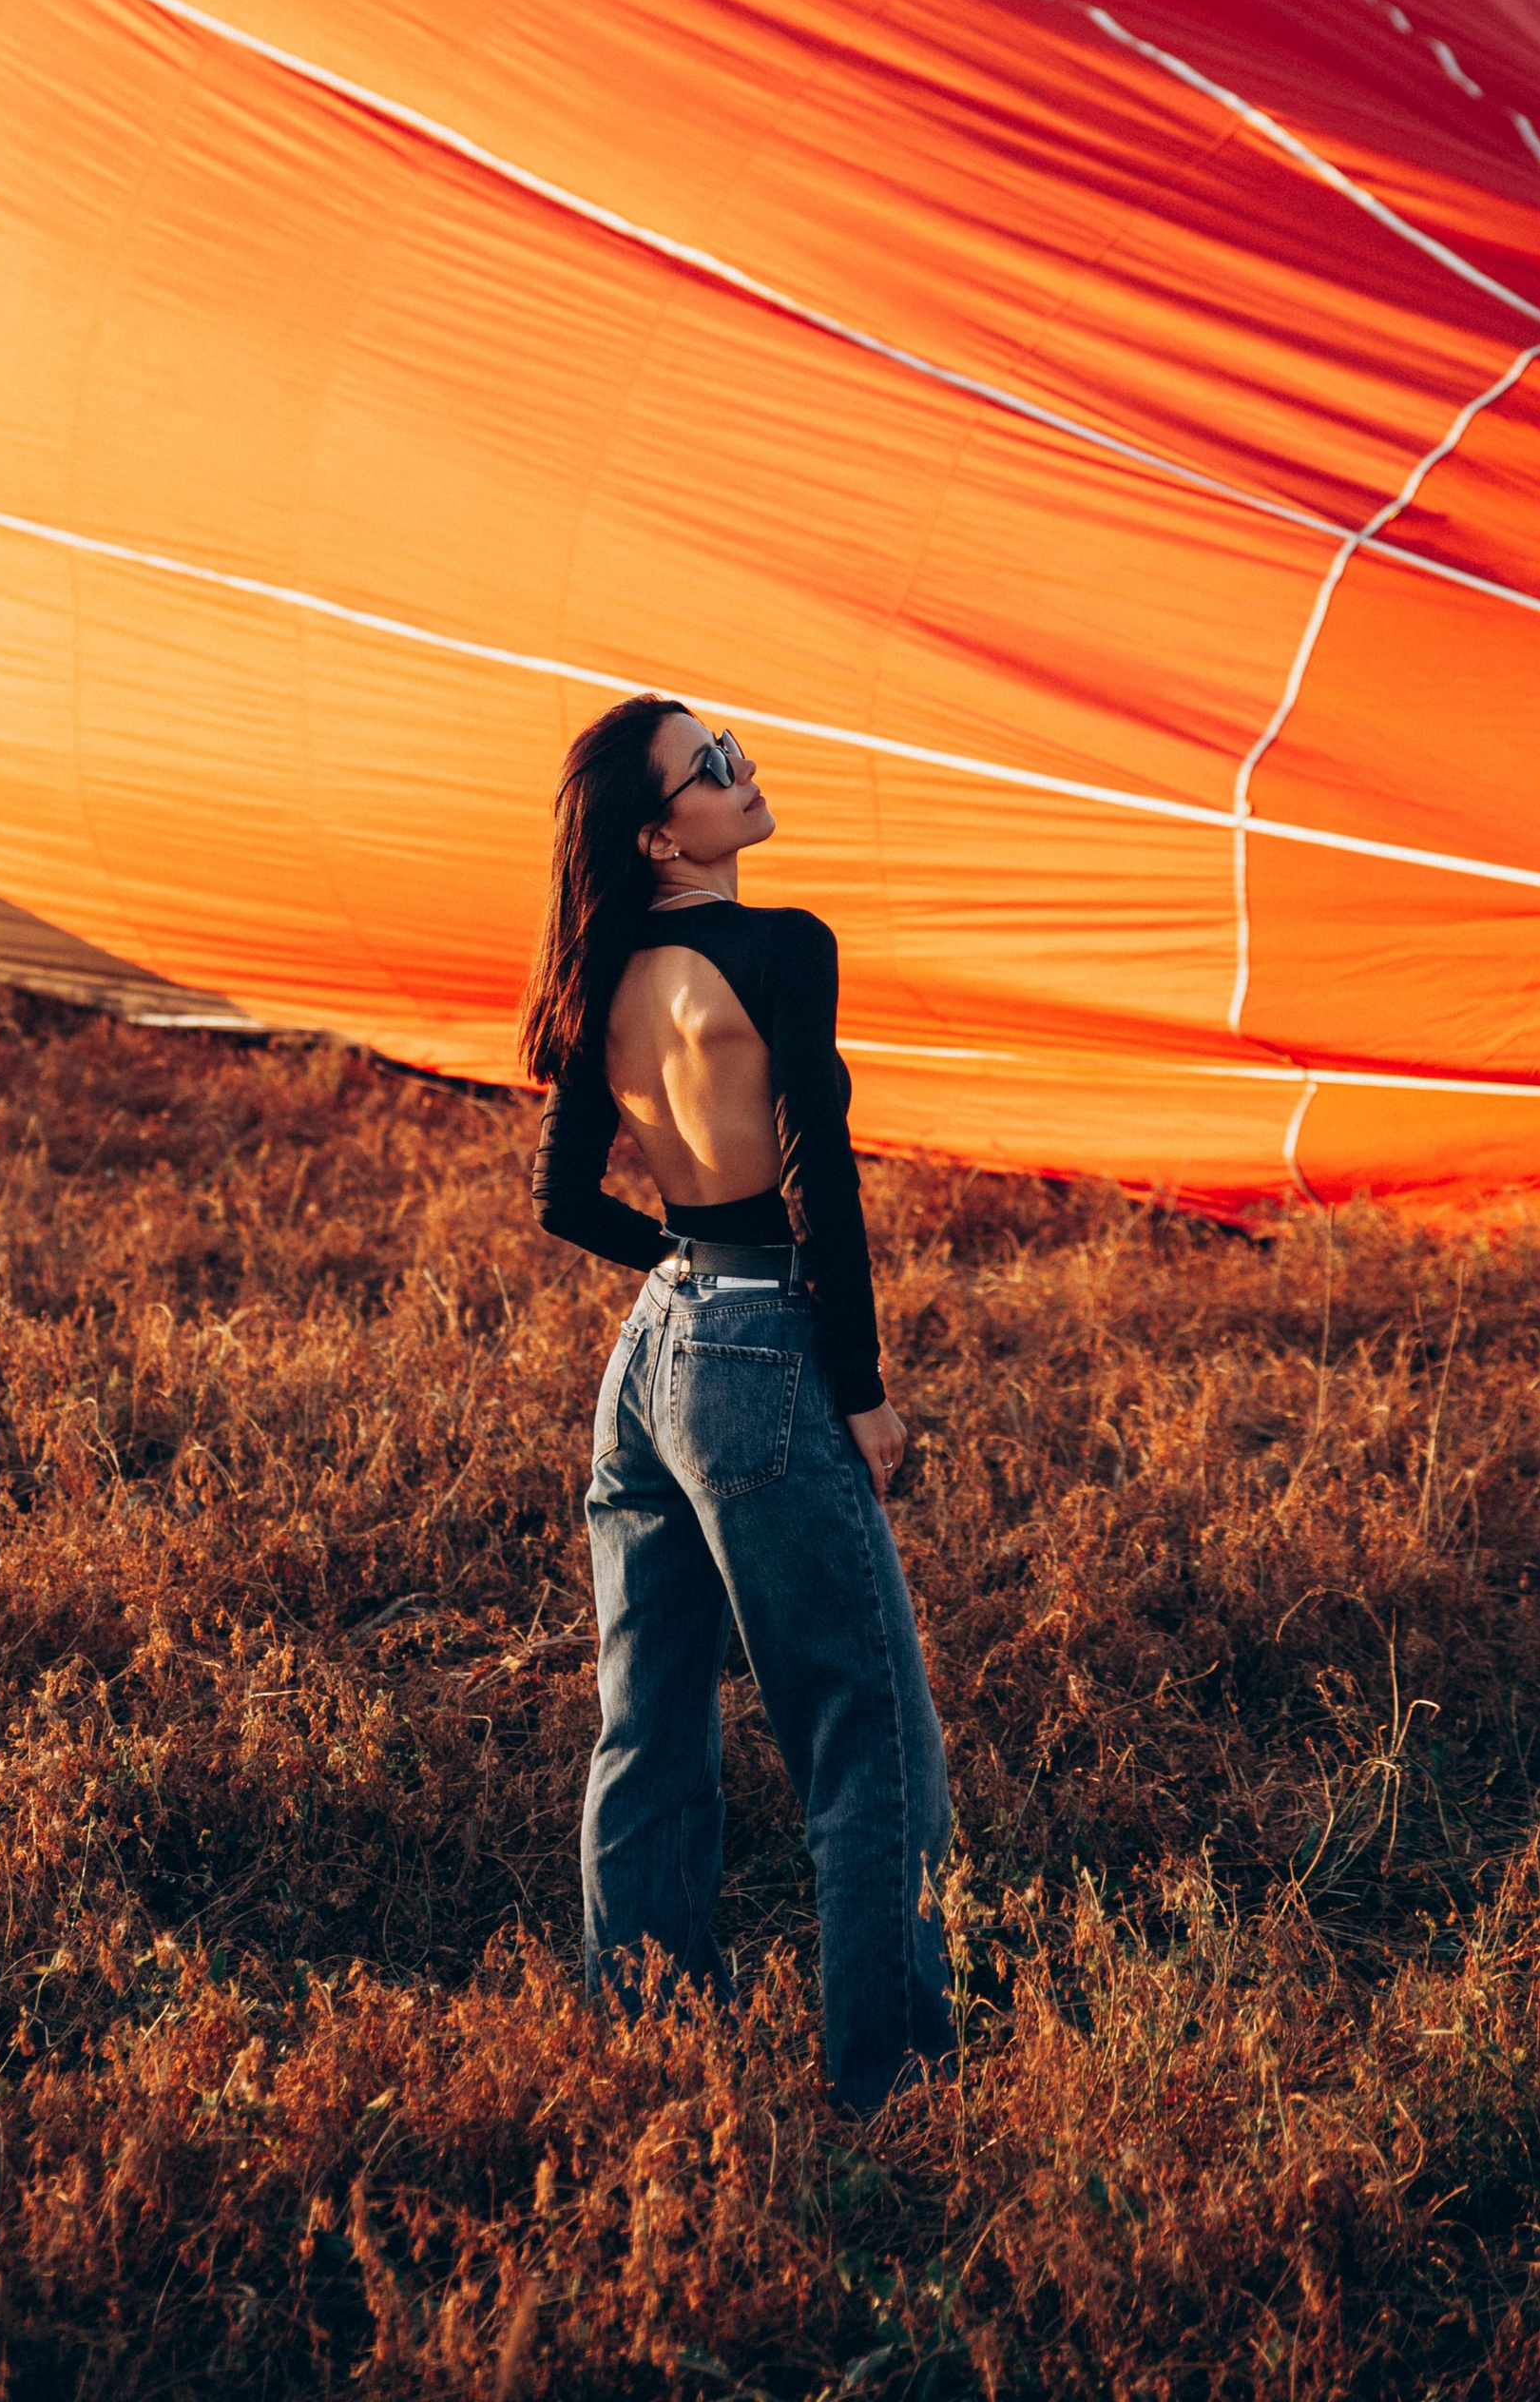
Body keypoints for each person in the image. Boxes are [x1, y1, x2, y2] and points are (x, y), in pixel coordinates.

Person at [522, 693, 953, 2113]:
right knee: (868, 1743)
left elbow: (565, 1200)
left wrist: (681, 1268)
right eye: (714, 768)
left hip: (650, 1361)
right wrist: (864, 1389)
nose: (744, 769)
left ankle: (644, 2055)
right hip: (761, 1353)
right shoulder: (784, 948)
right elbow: (822, 1173)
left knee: (646, 1727)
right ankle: (892, 2090)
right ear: (663, 831)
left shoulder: (608, 970)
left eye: (733, 748)